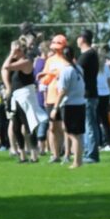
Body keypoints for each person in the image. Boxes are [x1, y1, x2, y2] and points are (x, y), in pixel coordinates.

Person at [51, 46, 85, 169]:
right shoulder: (79, 68)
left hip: (70, 104)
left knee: (73, 134)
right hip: (80, 103)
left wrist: (55, 108)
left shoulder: (66, 70)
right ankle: (79, 160)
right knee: (77, 134)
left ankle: (77, 162)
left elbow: (63, 91)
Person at [38, 35, 68, 163]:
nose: (57, 50)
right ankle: (54, 154)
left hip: (65, 97)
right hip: (51, 97)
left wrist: (56, 74)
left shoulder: (68, 59)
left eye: (59, 47)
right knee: (52, 127)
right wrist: (44, 77)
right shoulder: (50, 60)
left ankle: (66, 153)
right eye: (55, 47)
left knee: (65, 128)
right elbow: (45, 78)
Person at [77, 29, 100, 163]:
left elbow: (77, 71)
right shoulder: (91, 54)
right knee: (89, 124)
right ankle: (89, 152)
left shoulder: (88, 55)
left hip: (88, 94)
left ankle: (92, 154)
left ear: (83, 39)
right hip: (90, 94)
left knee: (90, 125)